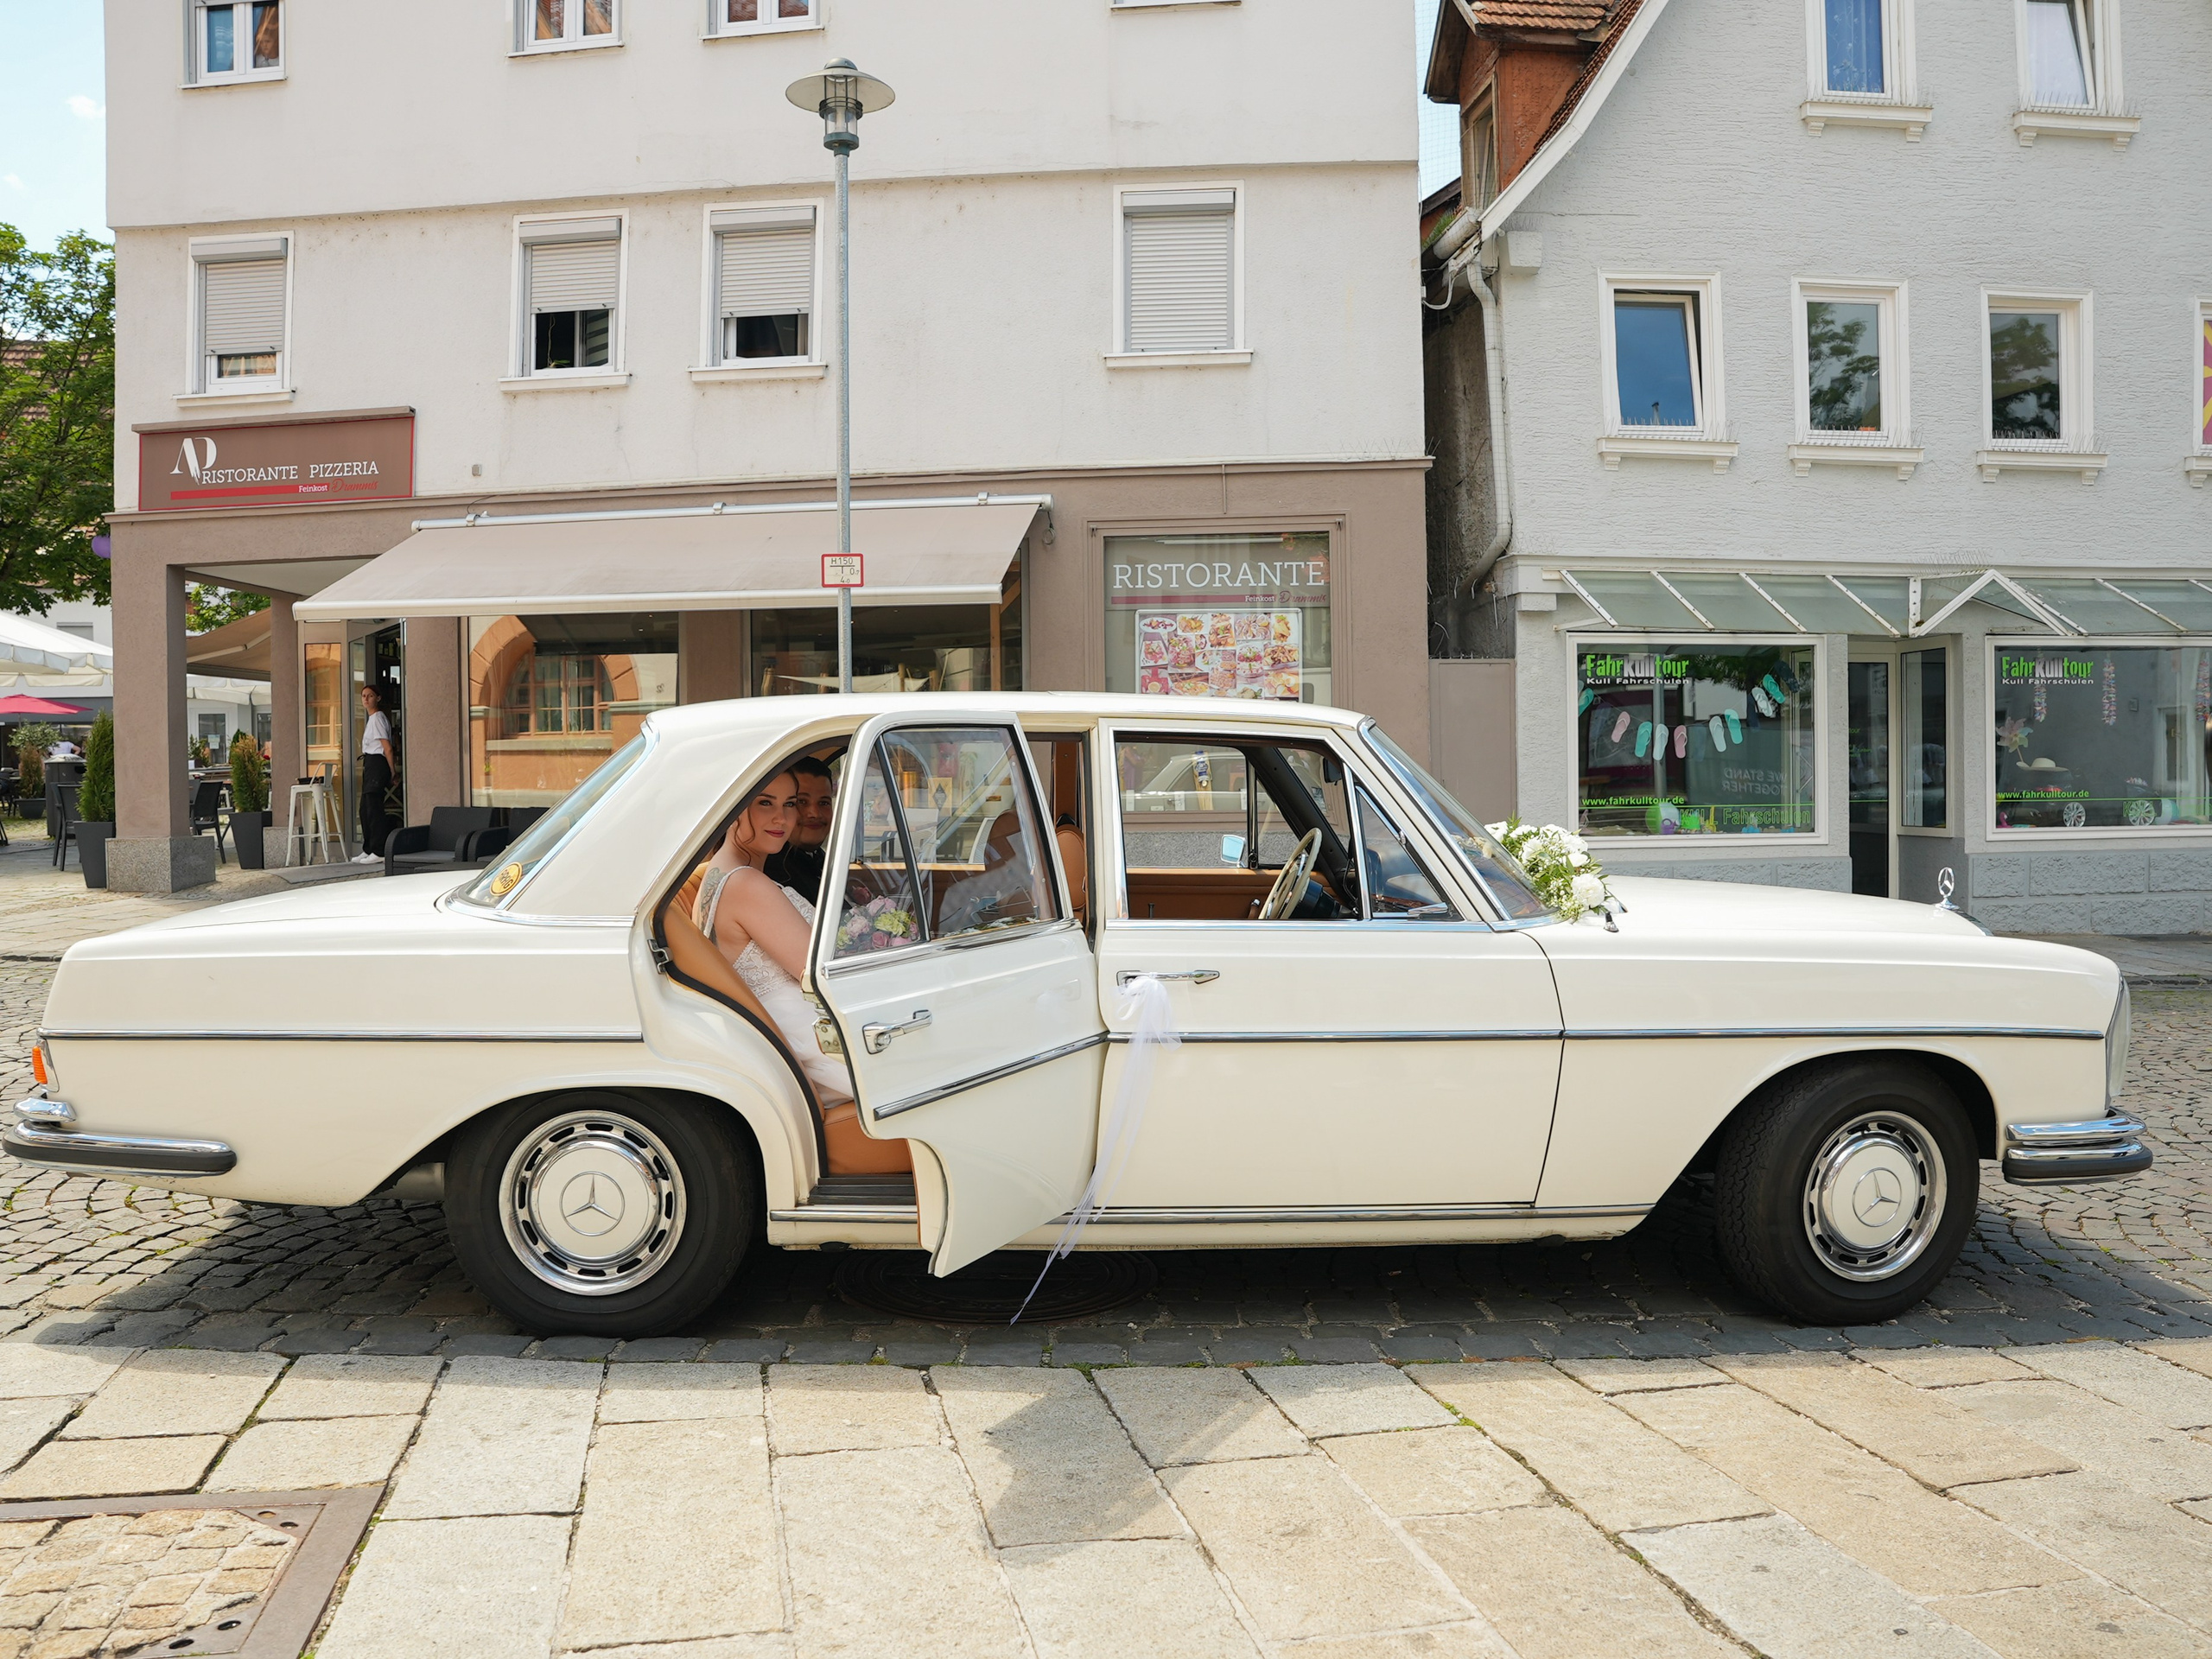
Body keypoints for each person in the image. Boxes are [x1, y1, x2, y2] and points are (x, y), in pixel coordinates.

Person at [693, 770, 852, 1103]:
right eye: (765, 803)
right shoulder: (746, 885)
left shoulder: (725, 873)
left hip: (804, 1036)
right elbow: (825, 974)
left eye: (789, 804)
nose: (782, 817)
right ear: (732, 808)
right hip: (818, 1046)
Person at [763, 754, 835, 902]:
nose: (814, 814)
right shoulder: (774, 872)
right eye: (801, 801)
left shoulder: (819, 859)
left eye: (824, 803)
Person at [353, 684, 397, 864]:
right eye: (363, 695)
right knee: (365, 809)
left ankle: (379, 850)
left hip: (377, 764)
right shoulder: (372, 719)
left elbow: (387, 748)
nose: (366, 699)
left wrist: (392, 771)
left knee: (374, 809)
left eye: (370, 695)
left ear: (377, 698)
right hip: (371, 763)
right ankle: (369, 848)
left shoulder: (378, 718)